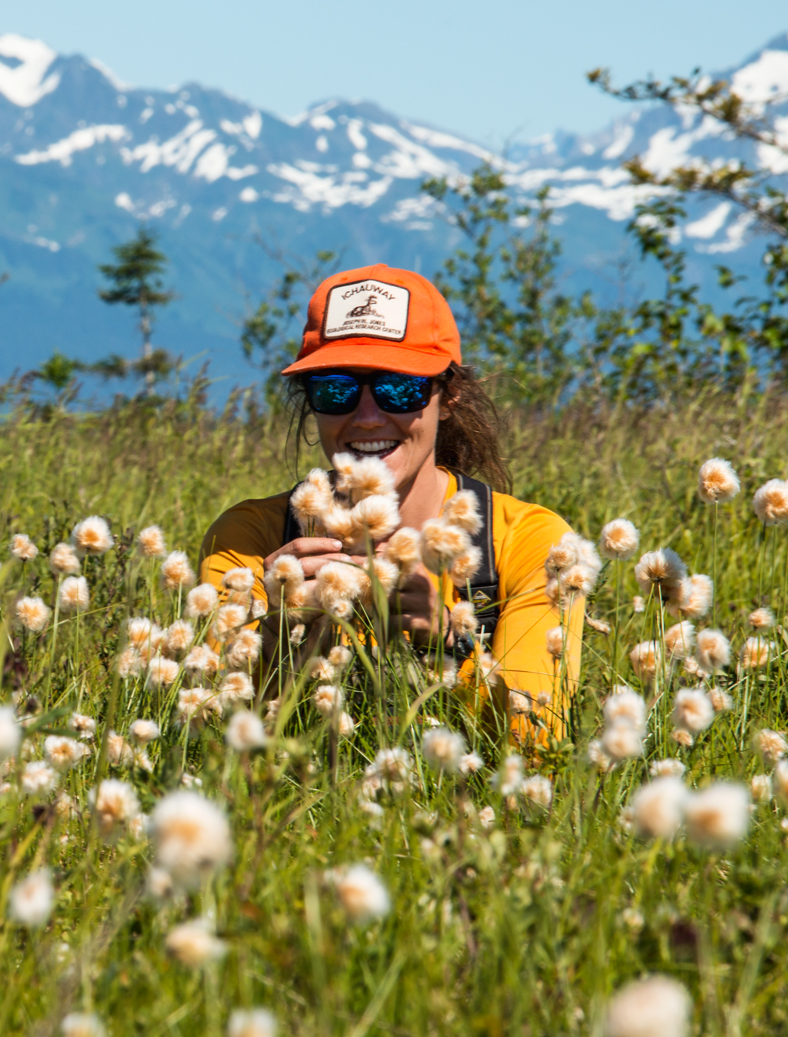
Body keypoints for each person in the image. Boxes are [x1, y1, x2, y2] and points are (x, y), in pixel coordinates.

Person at [199, 264, 582, 744]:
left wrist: (449, 645)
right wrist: (277, 636)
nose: (365, 417)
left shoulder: (532, 543)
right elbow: (207, 729)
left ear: (451, 393)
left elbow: (536, 742)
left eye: (399, 388)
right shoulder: (250, 540)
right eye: (335, 389)